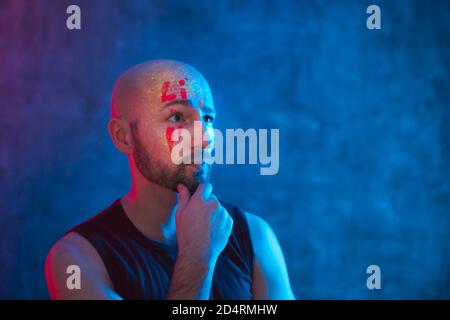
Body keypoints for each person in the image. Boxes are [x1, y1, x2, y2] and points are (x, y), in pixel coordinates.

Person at [45, 59, 294, 300]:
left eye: (207, 118)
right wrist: (196, 258)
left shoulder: (253, 236)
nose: (205, 137)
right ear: (123, 137)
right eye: (177, 117)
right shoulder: (77, 259)